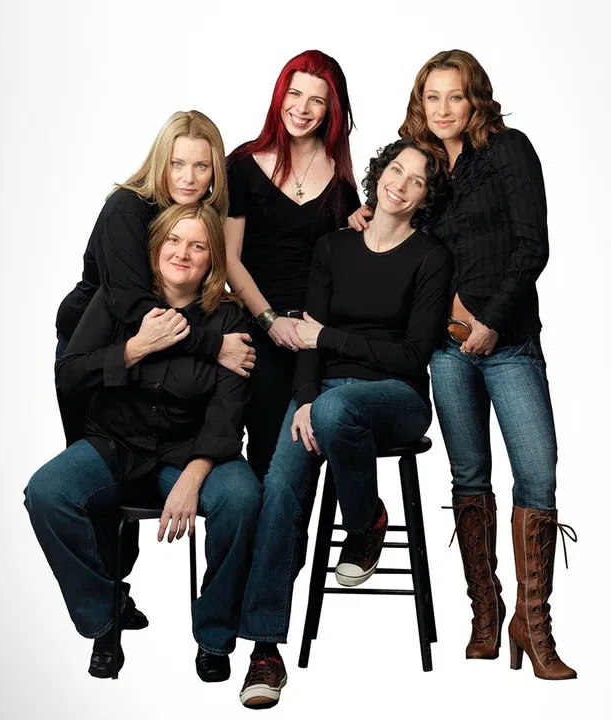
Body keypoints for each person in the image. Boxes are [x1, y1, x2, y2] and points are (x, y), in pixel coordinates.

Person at [350, 50, 577, 680]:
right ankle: (485, 611)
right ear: (419, 104)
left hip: (508, 342)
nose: (443, 108)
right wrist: (367, 212)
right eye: (432, 97)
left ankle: (533, 625)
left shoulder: (508, 151)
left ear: (476, 98)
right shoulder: (422, 167)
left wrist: (493, 320)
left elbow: (532, 246)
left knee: (537, 475)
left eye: (455, 95)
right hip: (444, 350)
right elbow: (398, 226)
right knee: (469, 476)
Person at [235, 140, 453, 709]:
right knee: (280, 485)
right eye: (396, 170)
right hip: (325, 393)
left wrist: (329, 341)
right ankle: (264, 650)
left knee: (337, 411)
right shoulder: (332, 246)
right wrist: (305, 398)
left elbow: (412, 355)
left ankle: (365, 522)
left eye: (417, 181)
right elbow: (308, 340)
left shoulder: (431, 257)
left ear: (426, 198)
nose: (401, 185)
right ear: (380, 173)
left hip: (397, 397)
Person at [50, 110, 257, 671]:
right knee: (76, 493)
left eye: (201, 166)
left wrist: (194, 473)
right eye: (178, 163)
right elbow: (134, 311)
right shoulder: (127, 210)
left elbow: (227, 408)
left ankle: (214, 635)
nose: (188, 176)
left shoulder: (223, 306)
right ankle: (106, 615)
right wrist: (198, 347)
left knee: (240, 496)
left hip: (181, 437)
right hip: (96, 352)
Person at [223, 50, 360, 486]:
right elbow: (228, 259)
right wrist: (269, 320)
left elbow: (348, 267)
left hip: (316, 333)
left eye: (316, 100)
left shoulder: (342, 181)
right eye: (294, 94)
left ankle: (300, 543)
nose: (302, 108)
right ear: (279, 96)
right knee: (264, 451)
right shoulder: (242, 165)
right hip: (257, 325)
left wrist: (362, 225)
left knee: (304, 455)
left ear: (331, 110)